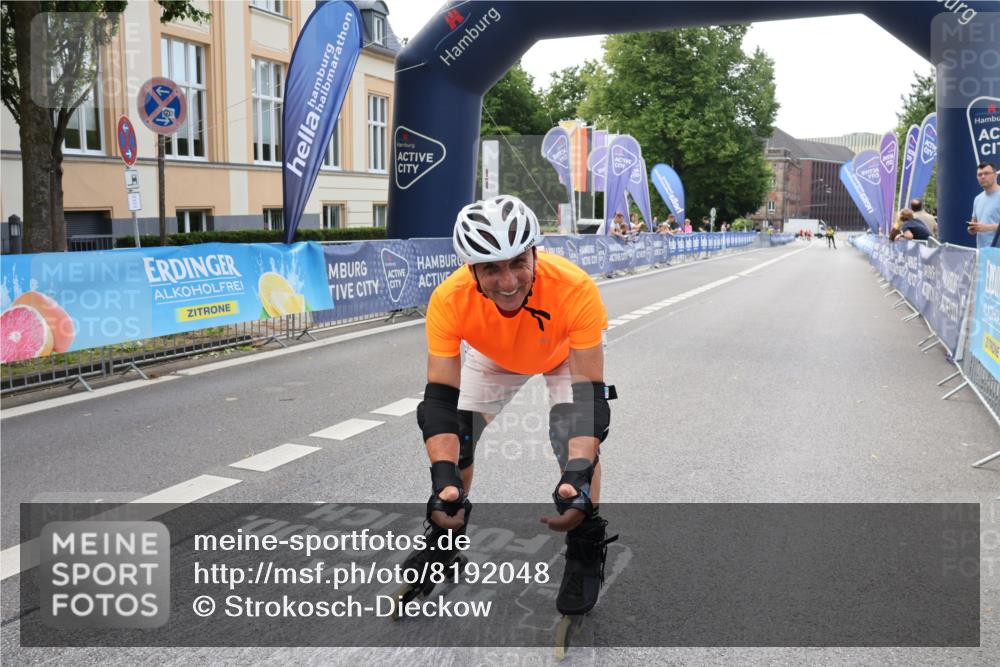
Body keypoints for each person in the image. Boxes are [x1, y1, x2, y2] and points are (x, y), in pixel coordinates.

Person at [407, 194, 618, 618]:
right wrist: (442, 478)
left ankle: (584, 543)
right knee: (458, 438)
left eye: (518, 262)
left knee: (573, 441)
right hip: (496, 356)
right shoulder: (449, 300)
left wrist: (577, 474)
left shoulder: (574, 287)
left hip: (563, 354)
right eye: (491, 268)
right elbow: (440, 401)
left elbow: (587, 396)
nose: (507, 281)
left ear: (536, 253)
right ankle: (446, 529)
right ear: (471, 270)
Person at [968, 161, 1000, 248]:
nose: (983, 177)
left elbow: (984, 227)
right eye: (979, 174)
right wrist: (972, 229)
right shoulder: (977, 199)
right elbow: (974, 222)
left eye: (986, 173)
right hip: (982, 253)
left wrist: (987, 227)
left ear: (995, 175)